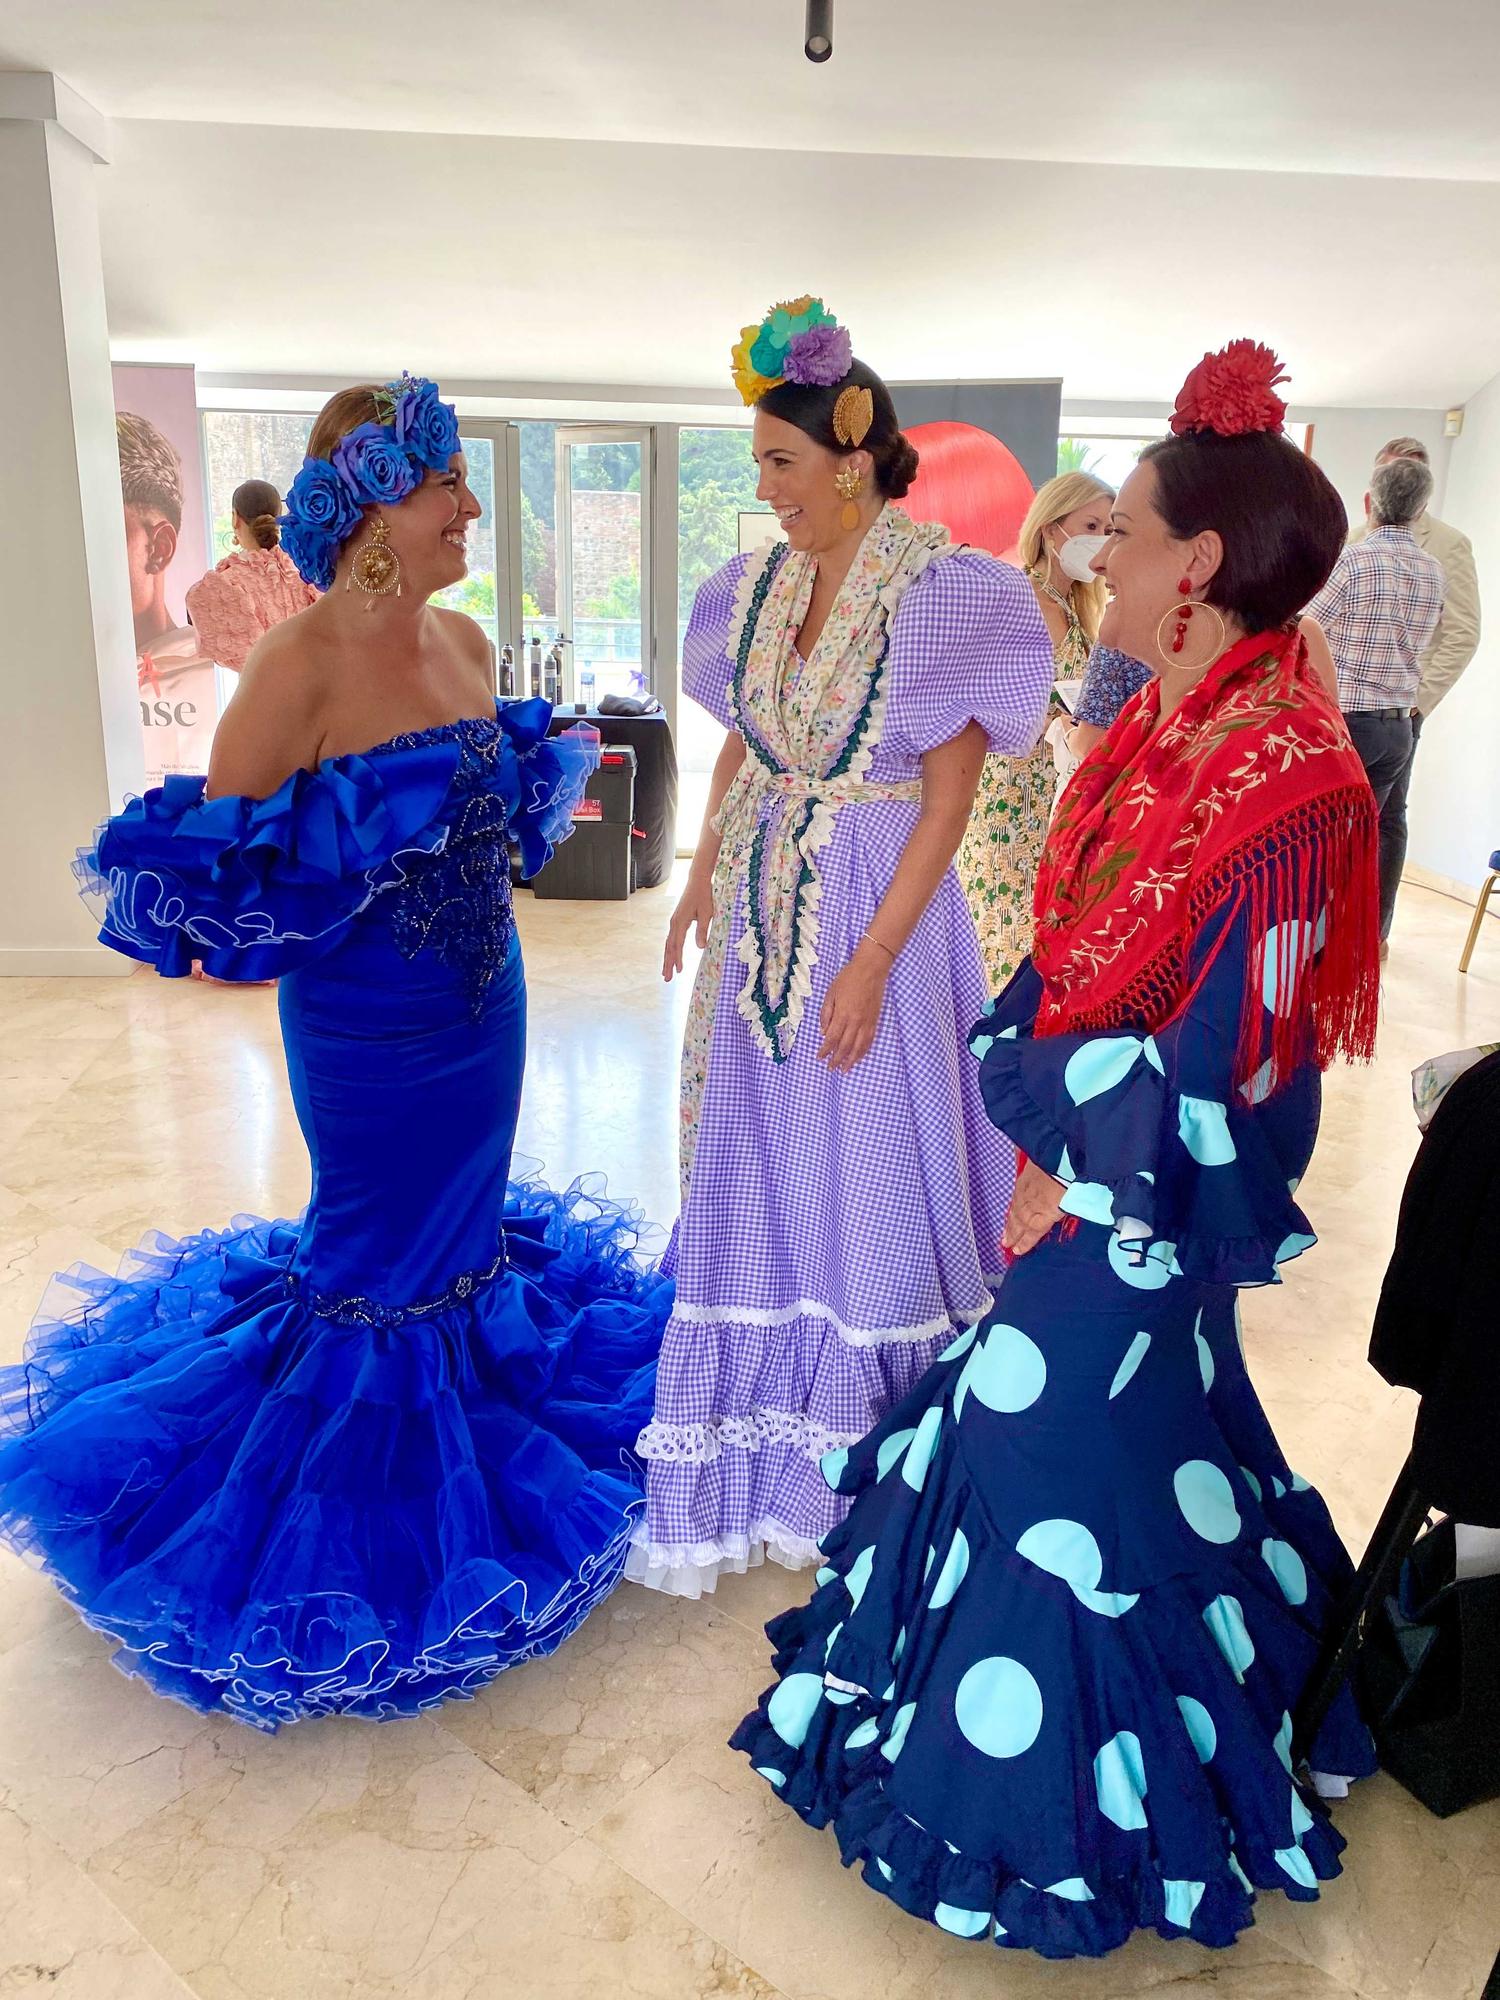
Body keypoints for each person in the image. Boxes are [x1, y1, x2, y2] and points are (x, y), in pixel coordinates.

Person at [733, 339, 1383, 1958]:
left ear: (1201, 567)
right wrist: (1030, 1100)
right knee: (1116, 1436)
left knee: (1038, 1434)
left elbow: (1240, 1066)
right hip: (1094, 1162)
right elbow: (1078, 930)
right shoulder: (1171, 719)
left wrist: (1075, 1164)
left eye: (1132, 534)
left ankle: (1058, 1802)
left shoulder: (1291, 776)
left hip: (1152, 1189)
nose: (1105, 557)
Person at [0, 374, 671, 1729]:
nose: (471, 508)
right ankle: (355, 1502)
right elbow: (218, 870)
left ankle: (474, 1389)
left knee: (466, 1242)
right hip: (367, 1040)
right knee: (372, 1264)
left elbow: (503, 830)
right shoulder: (294, 667)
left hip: (492, 1009)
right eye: (447, 487)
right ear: (373, 506)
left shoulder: (471, 648)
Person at [629, 299, 1053, 1597]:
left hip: (885, 911)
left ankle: (861, 1463)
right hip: (763, 911)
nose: (765, 493)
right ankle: (755, 1455)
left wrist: (869, 961)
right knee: (754, 1157)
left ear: (854, 457)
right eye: (758, 464)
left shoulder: (948, 597)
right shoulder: (753, 590)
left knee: (870, 1157)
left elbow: (947, 800)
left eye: (781, 464)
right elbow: (746, 744)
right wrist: (701, 877)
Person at [956, 472, 1112, 988]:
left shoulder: (1084, 609)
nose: (1102, 539)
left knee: (1042, 930)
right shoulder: (1013, 596)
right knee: (1004, 933)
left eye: (1110, 528)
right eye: (1091, 524)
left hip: (1060, 788)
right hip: (1009, 792)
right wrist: (1042, 722)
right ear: (1050, 529)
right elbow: (971, 698)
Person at [1306, 455, 1444, 946]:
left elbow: (1302, 625)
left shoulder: (1354, 560)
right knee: (1364, 842)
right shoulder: (1433, 571)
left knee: (1319, 845)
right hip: (1398, 730)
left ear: (1368, 503)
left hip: (1348, 723)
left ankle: (1312, 951)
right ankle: (1357, 942)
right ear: (1420, 509)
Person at [1348, 435, 1482, 934]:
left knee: (1386, 818)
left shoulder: (1448, 546)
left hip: (1399, 710)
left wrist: (1417, 703)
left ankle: (1373, 931)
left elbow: (1463, 633)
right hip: (1342, 707)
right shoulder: (1354, 541)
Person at [185, 478, 319, 671]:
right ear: (278, 517)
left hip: (263, 695)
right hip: (315, 688)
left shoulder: (227, 584)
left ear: (235, 518)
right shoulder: (305, 571)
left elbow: (244, 662)